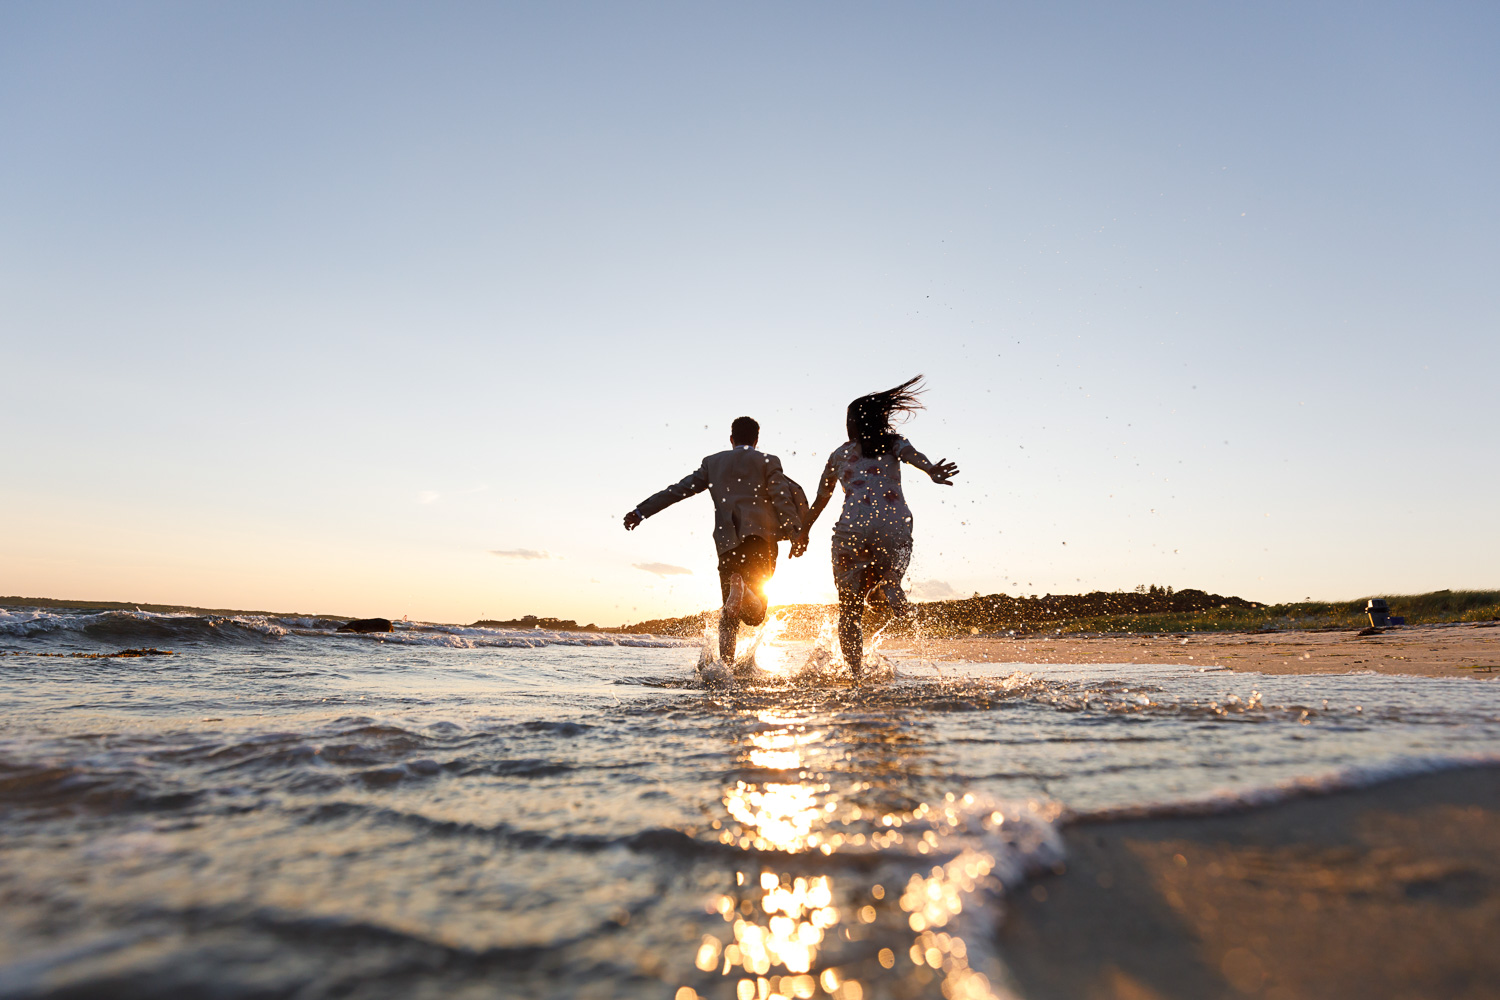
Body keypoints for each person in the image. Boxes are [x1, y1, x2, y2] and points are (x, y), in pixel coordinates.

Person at [791, 376, 958, 678]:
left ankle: (856, 674)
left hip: (852, 528)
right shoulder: (894, 444)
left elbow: (820, 500)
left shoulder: (838, 454)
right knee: (896, 557)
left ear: (853, 424)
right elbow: (915, 457)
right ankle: (891, 581)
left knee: (850, 610)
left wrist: (803, 532)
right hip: (892, 524)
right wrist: (931, 469)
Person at [624, 416, 805, 664]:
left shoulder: (713, 463)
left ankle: (725, 667)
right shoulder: (767, 461)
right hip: (760, 540)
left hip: (726, 544)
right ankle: (747, 590)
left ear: (731, 439)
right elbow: (780, 495)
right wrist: (795, 532)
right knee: (755, 615)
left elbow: (678, 490)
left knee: (729, 614)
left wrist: (641, 511)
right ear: (756, 439)